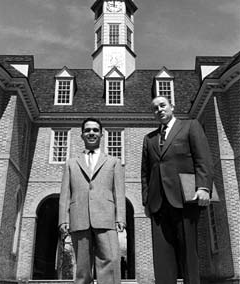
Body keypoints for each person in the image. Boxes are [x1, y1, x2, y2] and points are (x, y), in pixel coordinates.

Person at [141, 96, 213, 284]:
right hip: (158, 205)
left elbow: (202, 159)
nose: (159, 110)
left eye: (163, 105)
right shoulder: (149, 139)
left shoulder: (190, 126)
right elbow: (145, 173)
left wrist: (203, 187)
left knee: (188, 254)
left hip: (185, 200)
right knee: (162, 260)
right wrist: (146, 201)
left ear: (172, 106)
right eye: (155, 108)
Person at [59, 117, 126, 284]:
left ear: (101, 134)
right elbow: (65, 194)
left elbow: (119, 192)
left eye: (95, 130)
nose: (91, 133)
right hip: (79, 218)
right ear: (82, 135)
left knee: (110, 262)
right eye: (87, 130)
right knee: (82, 269)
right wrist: (63, 219)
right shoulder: (71, 163)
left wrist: (120, 218)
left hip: (106, 218)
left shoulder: (113, 162)